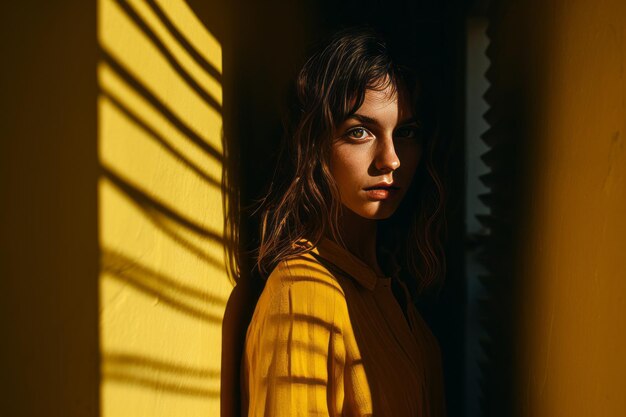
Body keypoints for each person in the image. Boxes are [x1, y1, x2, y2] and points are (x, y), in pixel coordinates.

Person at [240, 26, 447, 417]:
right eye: (359, 132)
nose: (391, 160)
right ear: (316, 143)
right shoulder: (302, 296)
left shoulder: (395, 291)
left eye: (406, 132)